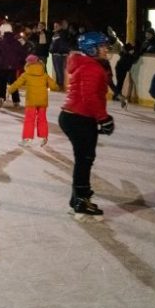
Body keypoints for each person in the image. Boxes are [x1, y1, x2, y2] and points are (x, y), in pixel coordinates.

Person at [59, 31, 115, 219]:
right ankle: (81, 200)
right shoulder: (91, 67)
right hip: (79, 117)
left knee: (84, 158)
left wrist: (101, 118)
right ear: (91, 49)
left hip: (76, 116)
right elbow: (89, 97)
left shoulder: (86, 63)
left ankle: (78, 197)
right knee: (85, 159)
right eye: (102, 46)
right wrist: (104, 118)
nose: (106, 49)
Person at [8, 54, 60, 147]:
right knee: (42, 119)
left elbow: (17, 84)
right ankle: (43, 137)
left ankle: (27, 139)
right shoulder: (44, 74)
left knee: (29, 119)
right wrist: (56, 87)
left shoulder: (26, 74)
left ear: (28, 63)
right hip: (42, 101)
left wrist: (9, 90)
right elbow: (54, 86)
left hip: (31, 101)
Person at [0, 23, 27, 109]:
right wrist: (21, 63)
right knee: (13, 83)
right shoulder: (17, 42)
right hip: (13, 67)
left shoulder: (0, 42)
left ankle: (1, 98)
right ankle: (16, 101)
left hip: (2, 66)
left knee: (2, 84)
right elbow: (23, 54)